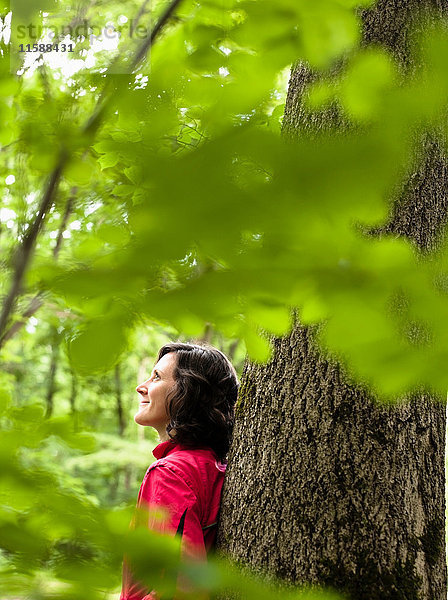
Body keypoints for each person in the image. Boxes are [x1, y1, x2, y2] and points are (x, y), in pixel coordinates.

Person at [120, 342, 239, 600]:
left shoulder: (170, 473)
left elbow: (182, 587)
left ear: (189, 393)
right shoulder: (214, 466)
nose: (141, 386)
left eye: (157, 377)